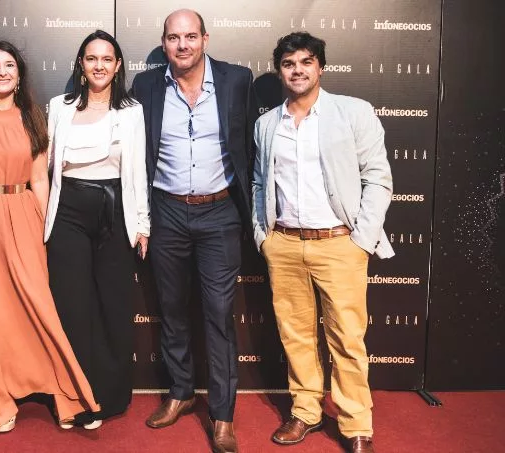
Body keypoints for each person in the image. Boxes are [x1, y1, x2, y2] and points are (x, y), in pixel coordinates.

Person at [0, 40, 99, 436]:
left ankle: (64, 393)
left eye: (9, 65)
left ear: (19, 74)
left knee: (35, 309)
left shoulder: (33, 118)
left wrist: (46, 232)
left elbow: (39, 180)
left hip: (21, 217)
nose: (2, 72)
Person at [252, 32, 394, 453]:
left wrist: (361, 240)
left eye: (305, 62)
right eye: (288, 63)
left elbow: (378, 178)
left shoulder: (353, 112)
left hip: (339, 244)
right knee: (295, 335)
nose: (297, 70)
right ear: (280, 70)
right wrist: (263, 236)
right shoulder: (267, 124)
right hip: (284, 244)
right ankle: (306, 411)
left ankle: (356, 424)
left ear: (320, 67)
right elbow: (259, 182)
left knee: (347, 339)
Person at [130, 9, 256, 453]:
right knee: (172, 309)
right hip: (166, 212)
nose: (182, 45)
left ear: (205, 38)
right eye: (173, 37)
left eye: (190, 36)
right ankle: (181, 392)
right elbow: (138, 155)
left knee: (219, 315)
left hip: (219, 212)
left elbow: (250, 149)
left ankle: (222, 415)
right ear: (163, 42)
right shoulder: (146, 86)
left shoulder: (237, 80)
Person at [45, 30, 149, 430]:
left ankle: (106, 398)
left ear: (118, 65)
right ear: (81, 64)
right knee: (72, 306)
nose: (99, 65)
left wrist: (142, 224)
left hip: (115, 210)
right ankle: (74, 398)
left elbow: (137, 170)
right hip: (68, 211)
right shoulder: (59, 107)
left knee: (112, 305)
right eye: (91, 58)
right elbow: (47, 167)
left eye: (107, 59)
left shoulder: (132, 111)